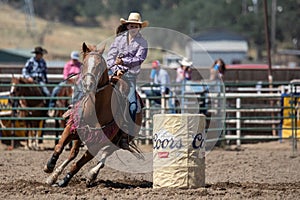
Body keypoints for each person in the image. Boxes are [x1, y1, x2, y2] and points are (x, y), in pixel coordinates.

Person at [106, 12, 148, 149]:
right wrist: (116, 69)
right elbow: (110, 57)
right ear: (127, 26)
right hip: (115, 73)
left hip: (130, 77)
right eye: (131, 25)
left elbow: (139, 59)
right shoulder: (119, 40)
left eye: (136, 26)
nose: (133, 28)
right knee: (94, 90)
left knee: (133, 106)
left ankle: (125, 135)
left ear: (139, 27)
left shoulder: (143, 43)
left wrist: (123, 61)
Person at [48, 51, 82, 115]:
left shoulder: (80, 65)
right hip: (68, 82)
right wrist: (70, 79)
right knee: (55, 90)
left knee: (84, 92)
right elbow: (65, 75)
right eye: (73, 59)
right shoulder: (68, 65)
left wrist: (77, 79)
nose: (75, 60)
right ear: (71, 58)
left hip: (77, 82)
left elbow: (81, 75)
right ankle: (51, 107)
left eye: (76, 59)